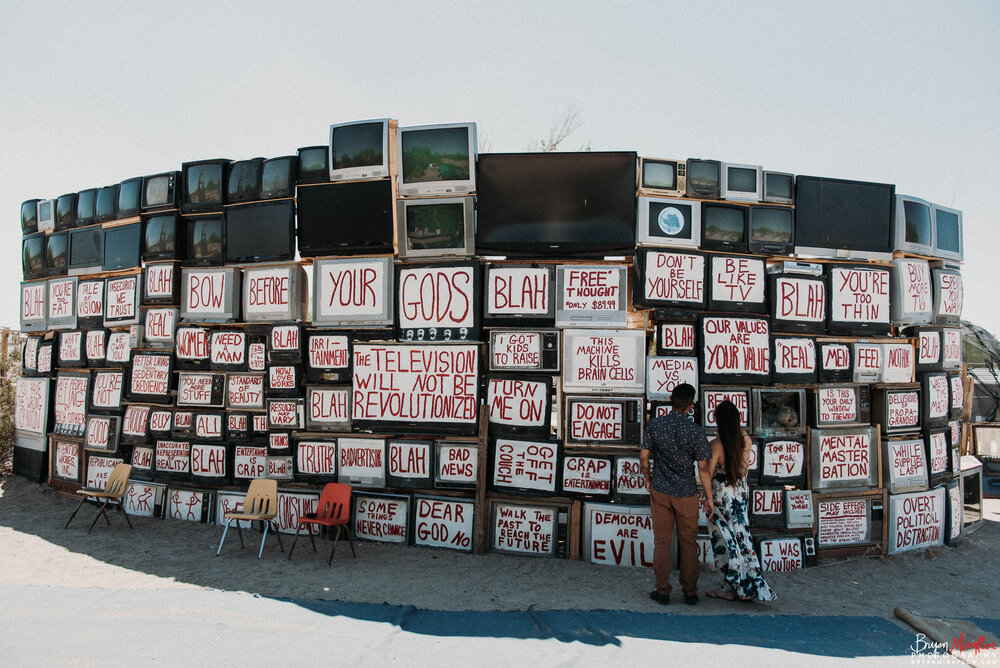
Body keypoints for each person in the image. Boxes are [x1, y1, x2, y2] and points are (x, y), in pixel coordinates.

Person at [640, 383, 713, 606]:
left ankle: (662, 591)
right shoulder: (696, 431)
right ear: (691, 405)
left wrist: (648, 479)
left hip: (660, 491)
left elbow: (644, 458)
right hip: (686, 493)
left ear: (671, 398)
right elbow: (702, 469)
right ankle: (690, 592)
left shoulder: (656, 425)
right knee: (688, 543)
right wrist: (709, 497)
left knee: (662, 542)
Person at [697, 400, 776, 602]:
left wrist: (708, 498)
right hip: (739, 494)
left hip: (721, 497)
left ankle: (732, 587)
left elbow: (706, 472)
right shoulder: (745, 439)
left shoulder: (715, 445)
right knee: (743, 540)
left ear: (717, 420)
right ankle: (750, 584)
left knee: (724, 543)